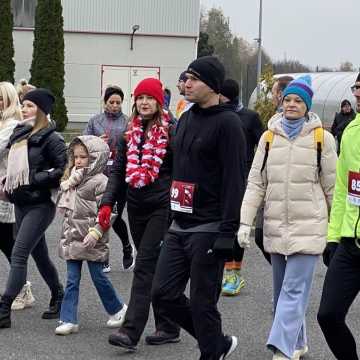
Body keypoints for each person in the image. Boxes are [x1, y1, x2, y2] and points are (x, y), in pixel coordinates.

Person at [152, 56, 247, 359]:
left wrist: (228, 232)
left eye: (194, 78)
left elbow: (235, 181)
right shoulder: (188, 117)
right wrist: (169, 216)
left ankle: (211, 351)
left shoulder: (229, 123)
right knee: (163, 295)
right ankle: (216, 343)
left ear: (214, 86)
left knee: (203, 301)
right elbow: (178, 170)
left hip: (210, 227)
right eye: (186, 77)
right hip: (179, 224)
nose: (186, 83)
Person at [238, 75, 337, 359]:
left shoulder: (322, 139)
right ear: (281, 102)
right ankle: (298, 342)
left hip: (310, 226)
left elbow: (332, 189)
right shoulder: (268, 138)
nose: (292, 105)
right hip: (276, 227)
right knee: (282, 293)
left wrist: (335, 231)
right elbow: (256, 183)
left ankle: (281, 348)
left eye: (298, 101)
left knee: (293, 291)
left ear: (307, 106)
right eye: (288, 99)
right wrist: (246, 221)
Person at [99, 78, 180, 351]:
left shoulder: (172, 131)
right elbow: (118, 172)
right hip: (136, 206)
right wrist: (107, 204)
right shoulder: (128, 132)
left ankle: (130, 331)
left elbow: (181, 171)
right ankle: (168, 326)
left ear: (159, 102)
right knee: (155, 268)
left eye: (150, 98)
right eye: (140, 98)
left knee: (144, 266)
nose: (144, 102)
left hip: (162, 206)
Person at [0, 88, 67, 329]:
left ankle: (4, 308)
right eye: (23, 105)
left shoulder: (53, 138)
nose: (24, 109)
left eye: (29, 106)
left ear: (41, 109)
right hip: (20, 202)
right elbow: (11, 164)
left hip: (40, 204)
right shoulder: (20, 133)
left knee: (18, 254)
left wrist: (33, 178)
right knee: (40, 256)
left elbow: (62, 171)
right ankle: (58, 293)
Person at [55, 135, 127, 335]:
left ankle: (118, 309)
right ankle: (69, 319)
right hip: (72, 237)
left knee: (99, 278)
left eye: (83, 157)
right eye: (76, 157)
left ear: (96, 158)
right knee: (71, 280)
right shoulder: (72, 180)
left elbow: (110, 210)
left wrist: (97, 231)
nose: (78, 161)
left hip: (92, 239)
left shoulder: (101, 182)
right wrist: (68, 183)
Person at [317, 73, 360, 360]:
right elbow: (345, 188)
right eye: (358, 87)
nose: (358, 93)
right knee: (328, 315)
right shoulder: (352, 130)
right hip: (350, 243)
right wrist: (333, 238)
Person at [219, 78, 263, 296]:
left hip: (242, 178)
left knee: (236, 224)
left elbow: (263, 147)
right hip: (217, 177)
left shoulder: (250, 117)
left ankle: (233, 273)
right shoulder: (214, 115)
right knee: (220, 224)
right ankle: (224, 270)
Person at [84, 85, 134, 273]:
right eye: (111, 102)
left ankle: (126, 247)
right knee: (101, 216)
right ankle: (104, 256)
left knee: (114, 216)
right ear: (104, 102)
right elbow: (83, 144)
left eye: (118, 103)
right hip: (99, 176)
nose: (114, 106)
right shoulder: (94, 121)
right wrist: (97, 142)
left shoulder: (128, 123)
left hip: (120, 176)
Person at [0, 82, 35, 311]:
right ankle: (22, 287)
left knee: (8, 242)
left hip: (5, 192)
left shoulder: (13, 124)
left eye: (1, 98)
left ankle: (23, 288)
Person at [254, 75, 295, 266]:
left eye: (274, 92)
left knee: (280, 242)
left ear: (279, 93)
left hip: (289, 196)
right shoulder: (273, 123)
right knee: (261, 237)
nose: (272, 97)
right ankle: (286, 277)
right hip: (269, 189)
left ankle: (289, 282)